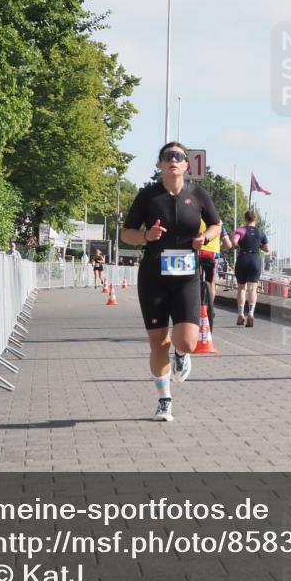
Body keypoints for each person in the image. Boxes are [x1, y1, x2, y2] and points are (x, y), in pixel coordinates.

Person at [122, 141, 221, 422]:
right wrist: (145, 237)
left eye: (178, 156)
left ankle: (182, 355)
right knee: (158, 343)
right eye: (167, 157)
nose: (173, 160)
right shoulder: (148, 196)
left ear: (187, 165)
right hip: (153, 275)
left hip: (187, 277)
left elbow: (216, 224)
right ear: (160, 164)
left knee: (187, 342)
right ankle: (164, 400)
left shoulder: (198, 194)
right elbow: (126, 232)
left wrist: (207, 238)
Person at [230, 210, 269, 327]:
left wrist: (237, 245)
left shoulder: (241, 230)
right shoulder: (261, 233)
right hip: (255, 259)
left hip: (243, 258)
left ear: (245, 219)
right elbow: (267, 249)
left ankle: (241, 314)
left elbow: (234, 241)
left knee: (241, 289)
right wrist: (259, 245)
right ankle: (251, 313)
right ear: (255, 219)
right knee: (252, 289)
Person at [197, 221, 232, 328]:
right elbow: (228, 244)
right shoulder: (219, 222)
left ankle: (195, 306)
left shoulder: (195, 217)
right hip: (213, 254)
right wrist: (220, 247)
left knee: (193, 280)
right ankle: (210, 309)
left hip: (197, 253)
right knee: (212, 282)